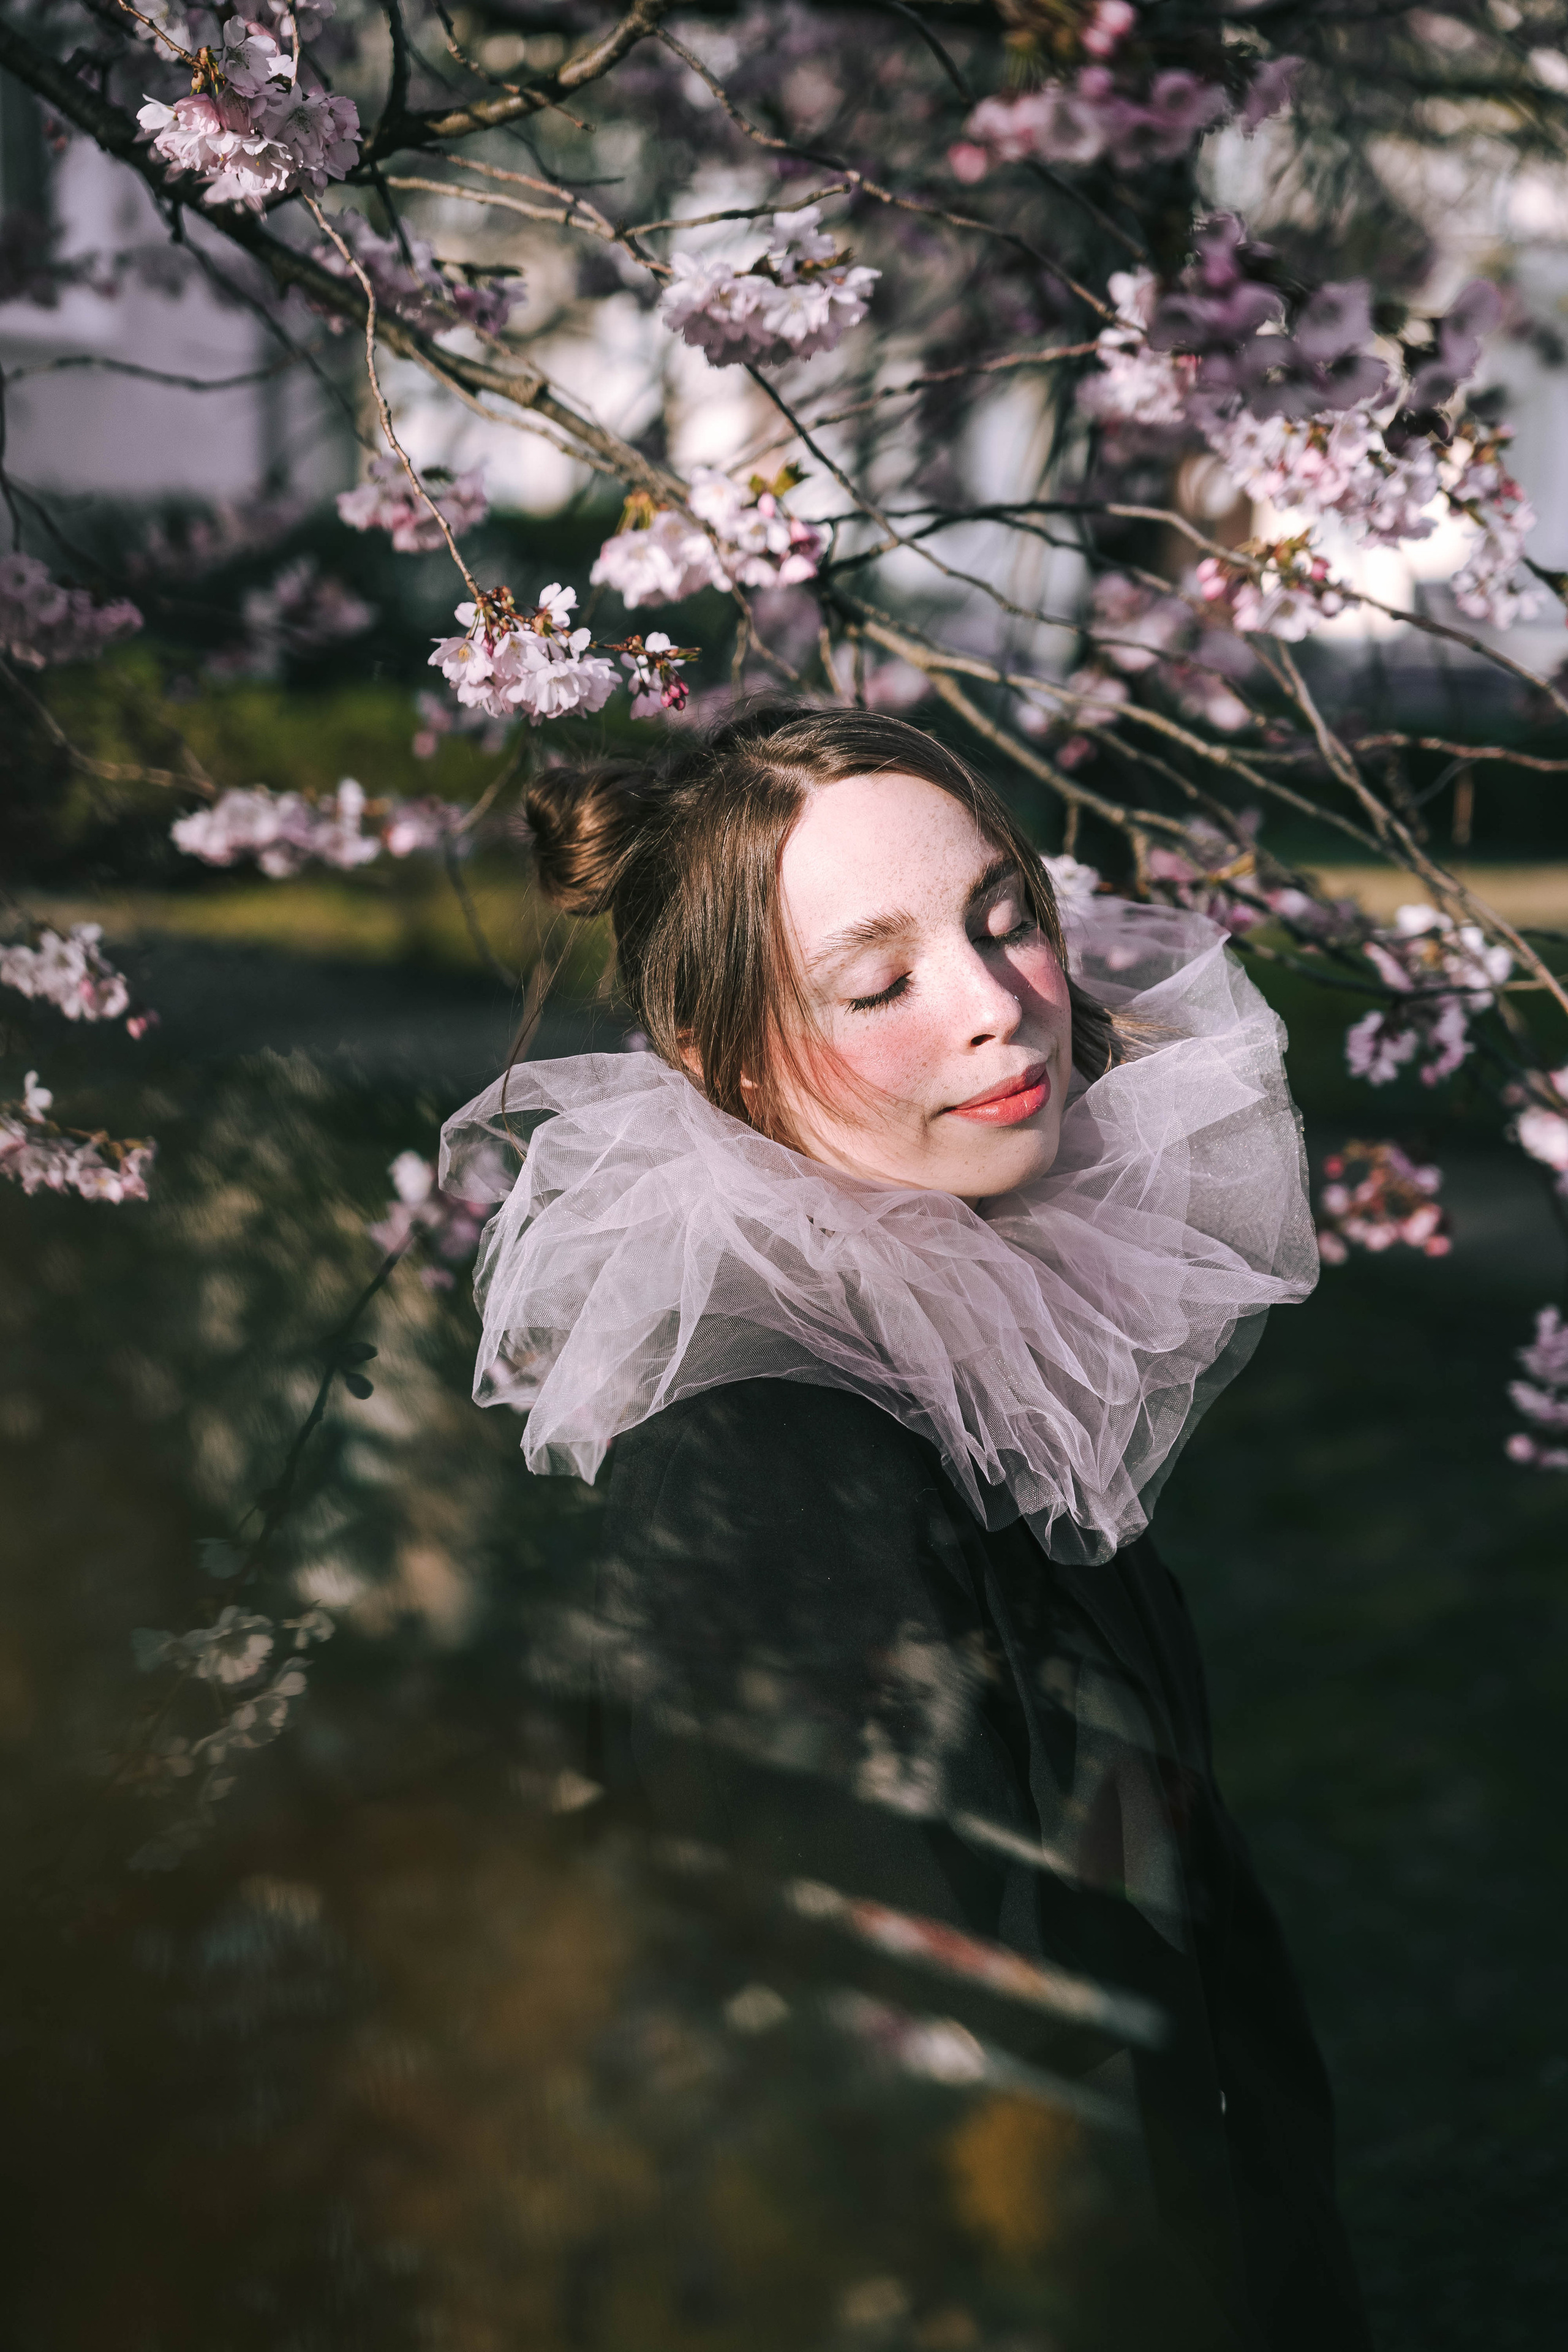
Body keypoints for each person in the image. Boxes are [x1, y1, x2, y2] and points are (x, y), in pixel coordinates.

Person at [441, 706, 1370, 2349]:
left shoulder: (970, 1360)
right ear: (734, 1071)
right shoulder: (784, 1473)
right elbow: (904, 2112)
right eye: (877, 986)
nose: (999, 1005)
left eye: (1007, 917)